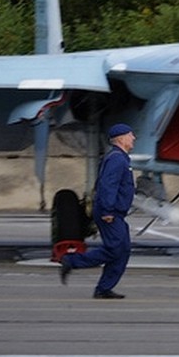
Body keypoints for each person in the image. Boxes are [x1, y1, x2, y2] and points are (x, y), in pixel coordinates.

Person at [58, 123, 136, 299]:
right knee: (115, 250)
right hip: (110, 213)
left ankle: (104, 288)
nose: (134, 138)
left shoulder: (120, 158)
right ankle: (71, 261)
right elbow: (108, 186)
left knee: (123, 250)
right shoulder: (117, 158)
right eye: (131, 135)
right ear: (122, 138)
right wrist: (108, 210)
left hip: (116, 213)